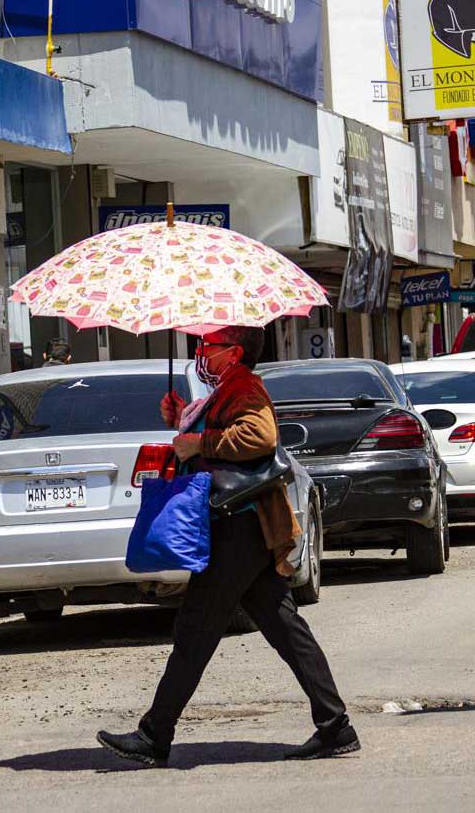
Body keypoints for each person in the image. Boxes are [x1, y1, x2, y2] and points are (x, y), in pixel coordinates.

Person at [97, 326, 358, 767]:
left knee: (195, 632)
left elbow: (260, 437)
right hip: (244, 527)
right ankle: (336, 727)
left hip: (239, 526)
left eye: (208, 346)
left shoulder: (245, 385)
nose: (201, 352)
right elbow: (219, 433)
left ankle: (154, 735)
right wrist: (183, 418)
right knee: (285, 629)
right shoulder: (226, 388)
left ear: (234, 353)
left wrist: (199, 441)